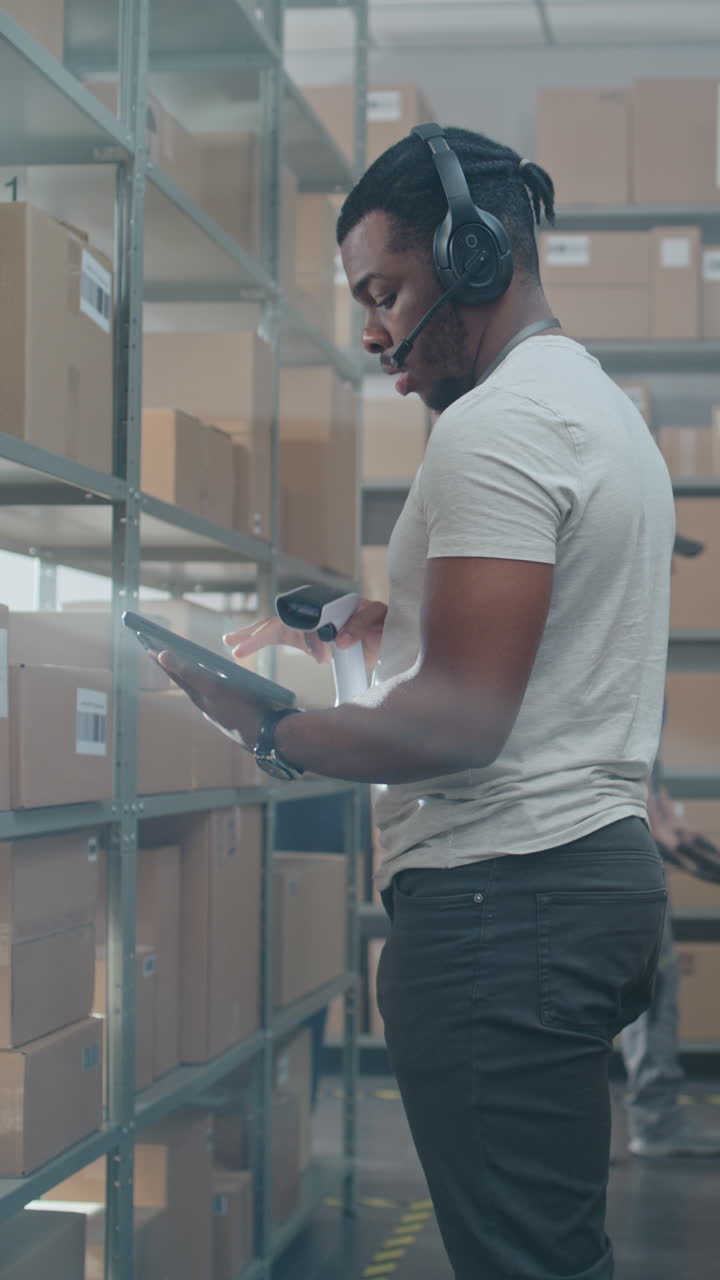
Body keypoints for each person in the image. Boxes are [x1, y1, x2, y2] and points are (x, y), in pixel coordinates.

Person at [160, 126, 675, 1280]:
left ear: (478, 252)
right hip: (576, 881)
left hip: (507, 904)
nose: (374, 327)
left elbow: (455, 726)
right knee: (548, 1250)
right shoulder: (586, 403)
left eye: (386, 289)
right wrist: (388, 631)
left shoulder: (494, 431)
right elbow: (533, 665)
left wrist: (261, 724)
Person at [621, 533, 720, 1158]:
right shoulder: (623, 631)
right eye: (667, 558)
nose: (675, 576)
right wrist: (645, 819)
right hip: (615, 844)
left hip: (635, 832)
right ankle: (654, 1123)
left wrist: (664, 816)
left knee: (649, 986)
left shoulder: (641, 632)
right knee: (651, 987)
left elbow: (642, 750)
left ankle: (653, 1119)